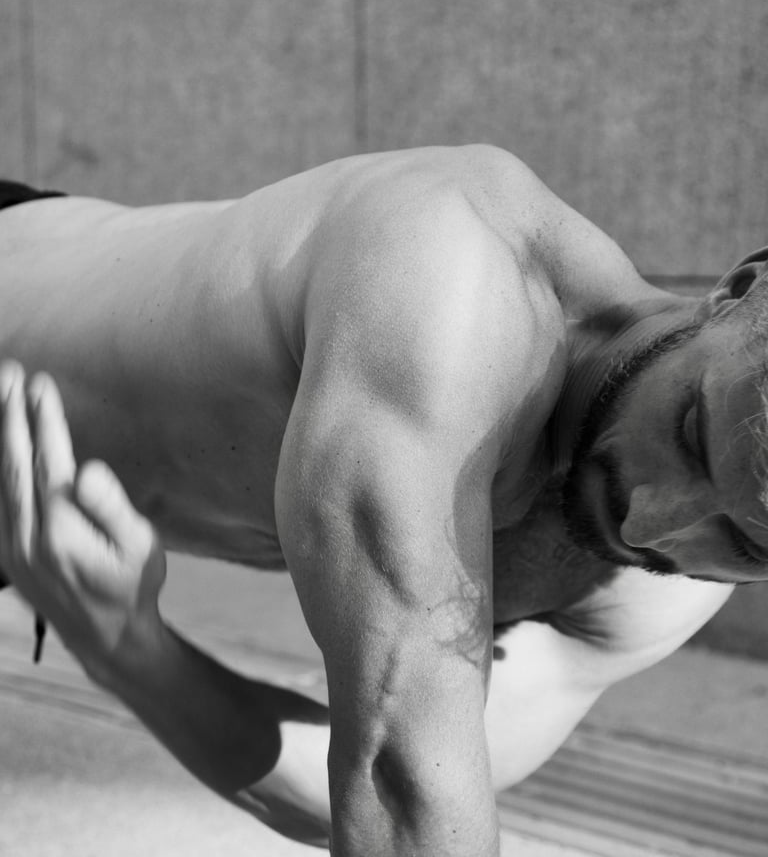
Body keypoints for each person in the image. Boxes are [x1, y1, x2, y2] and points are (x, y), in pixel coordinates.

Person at [0, 143, 762, 854]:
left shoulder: (658, 593)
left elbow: (382, 787)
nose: (650, 519)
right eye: (690, 433)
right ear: (737, 289)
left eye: (743, 542)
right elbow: (409, 791)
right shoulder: (451, 276)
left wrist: (132, 649)